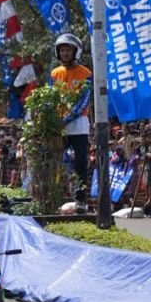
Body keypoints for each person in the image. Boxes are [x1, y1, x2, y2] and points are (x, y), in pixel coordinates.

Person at [50, 33, 92, 209]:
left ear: (76, 52)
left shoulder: (86, 73)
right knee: (53, 160)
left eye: (68, 50)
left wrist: (66, 119)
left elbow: (83, 101)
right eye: (62, 50)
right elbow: (50, 98)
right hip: (58, 126)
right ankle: (52, 196)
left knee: (80, 162)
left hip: (78, 125)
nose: (65, 53)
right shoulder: (55, 73)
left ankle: (81, 199)